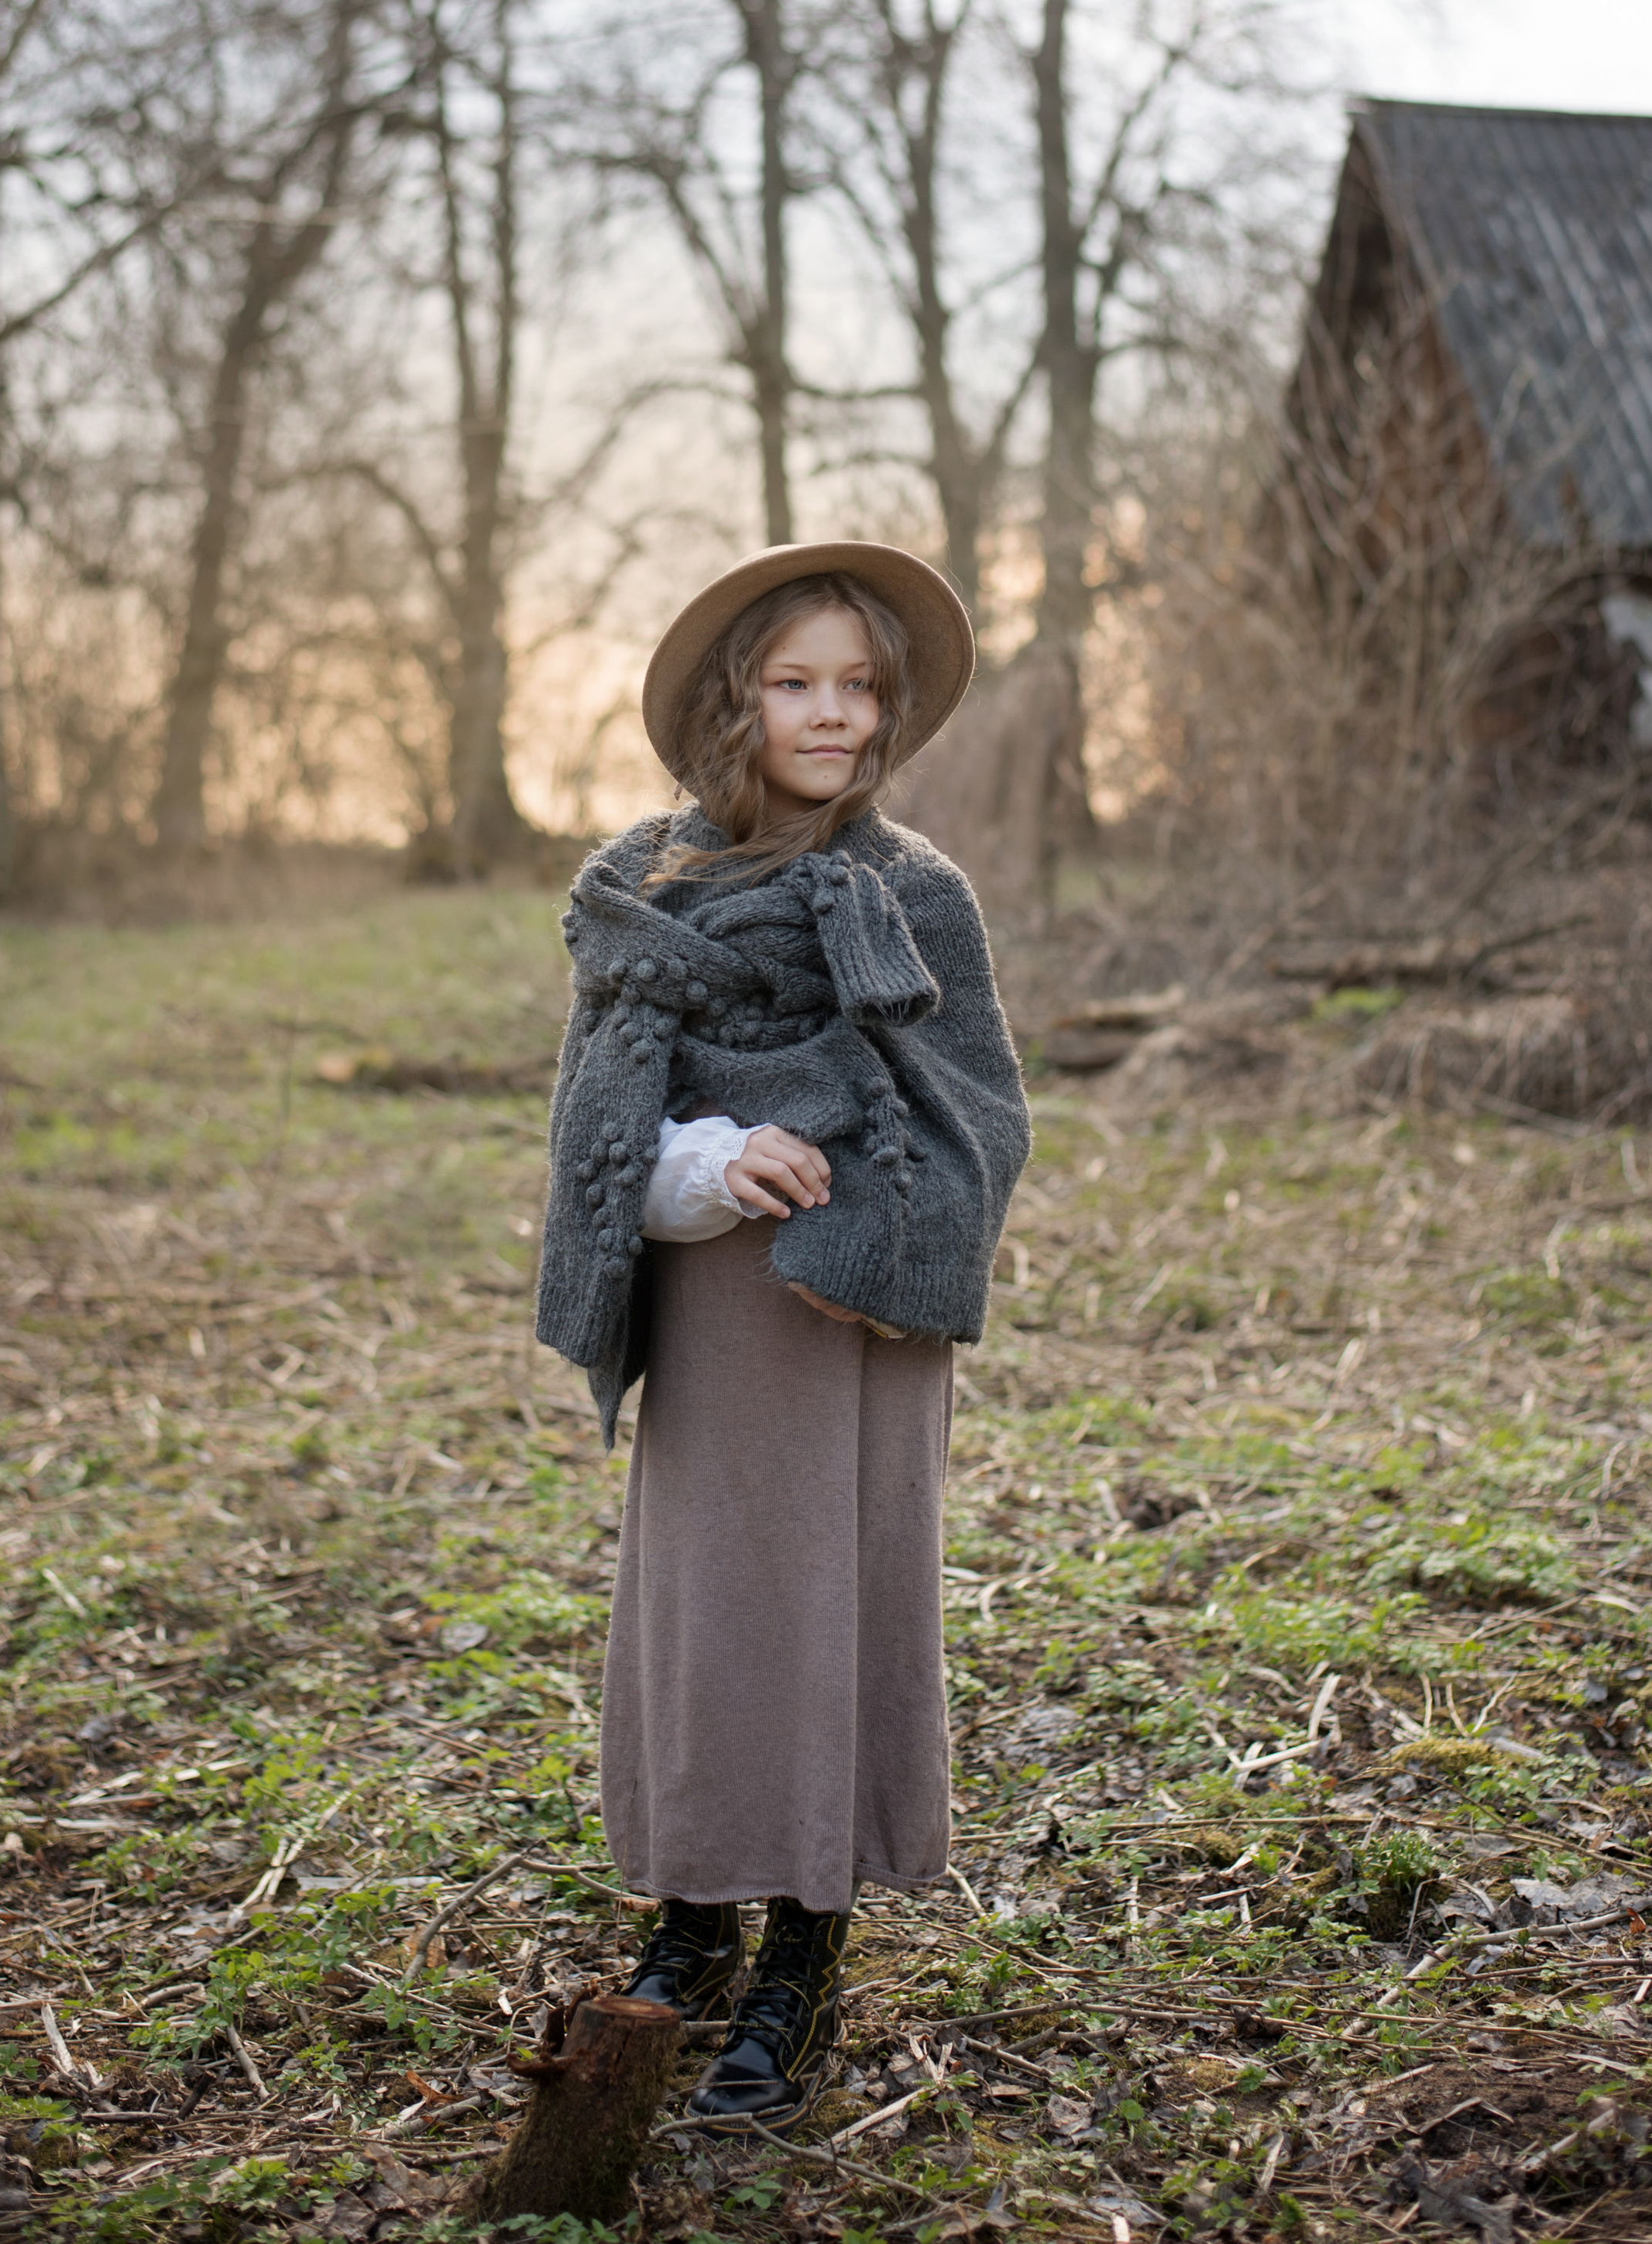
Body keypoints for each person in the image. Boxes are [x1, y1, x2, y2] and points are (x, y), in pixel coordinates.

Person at [534, 541, 1031, 2130]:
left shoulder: (918, 897)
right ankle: (692, 1909)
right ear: (731, 703)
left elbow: (977, 1124)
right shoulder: (645, 892)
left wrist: (855, 1223)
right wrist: (709, 1161)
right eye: (795, 682)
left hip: (855, 1316)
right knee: (708, 1603)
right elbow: (595, 1125)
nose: (832, 714)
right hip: (710, 1302)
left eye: (858, 687)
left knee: (833, 1601)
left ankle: (806, 1945)